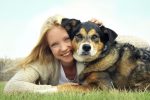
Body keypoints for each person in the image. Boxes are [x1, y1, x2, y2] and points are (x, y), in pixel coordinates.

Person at [4, 15, 150, 93]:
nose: (63, 48)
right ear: (48, 47)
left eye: (66, 39)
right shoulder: (43, 64)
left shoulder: (88, 58)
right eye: (54, 44)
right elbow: (12, 87)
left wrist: (103, 33)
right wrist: (56, 90)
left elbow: (127, 46)